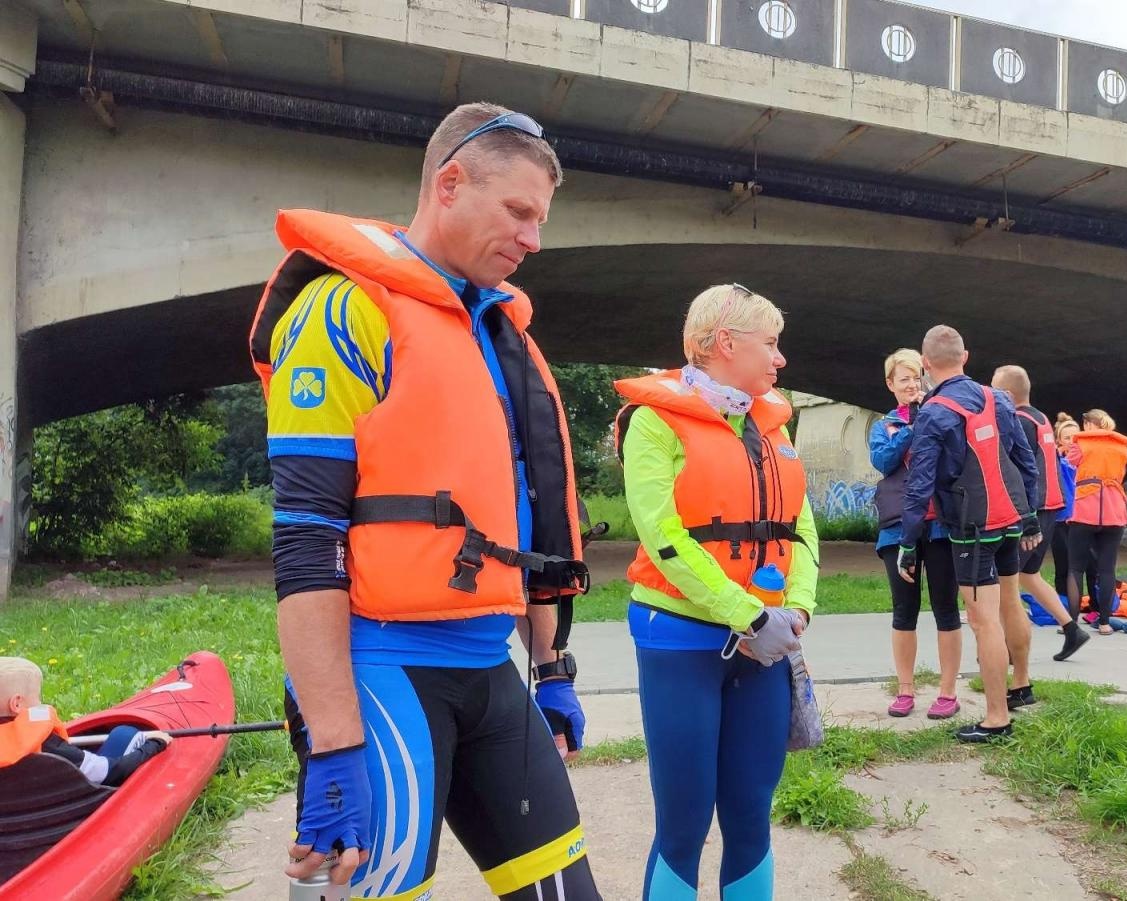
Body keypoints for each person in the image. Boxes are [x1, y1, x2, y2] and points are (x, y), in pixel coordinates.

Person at [249, 102, 599, 898]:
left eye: (540, 219)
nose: (533, 238)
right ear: (449, 184)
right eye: (517, 211)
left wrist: (552, 668)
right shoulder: (342, 312)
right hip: (383, 670)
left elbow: (526, 517)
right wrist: (335, 743)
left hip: (491, 671)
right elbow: (306, 539)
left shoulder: (502, 334)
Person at [614, 283, 820, 900]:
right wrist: (748, 616)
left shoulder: (772, 424)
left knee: (752, 816)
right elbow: (663, 537)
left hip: (767, 641)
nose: (780, 359)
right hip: (681, 639)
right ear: (726, 343)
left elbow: (799, 523)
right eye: (771, 343)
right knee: (683, 824)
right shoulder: (653, 421)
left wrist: (797, 608)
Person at [897, 326, 1039, 743]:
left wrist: (908, 542)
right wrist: (1028, 515)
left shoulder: (935, 412)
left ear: (925, 364)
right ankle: (1021, 685)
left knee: (983, 621)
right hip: (1009, 519)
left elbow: (919, 485)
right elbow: (1024, 460)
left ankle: (996, 718)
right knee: (1011, 601)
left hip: (969, 529)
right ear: (966, 356)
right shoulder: (998, 399)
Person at [871, 349, 961, 720]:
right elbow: (883, 461)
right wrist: (911, 429)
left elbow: (956, 458)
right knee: (903, 609)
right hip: (897, 529)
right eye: (903, 379)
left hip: (940, 525)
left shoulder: (941, 415)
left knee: (945, 607)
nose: (911, 385)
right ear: (891, 384)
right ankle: (905, 690)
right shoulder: (886, 425)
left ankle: (947, 692)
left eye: (916, 377)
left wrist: (931, 419)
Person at [990, 366, 1089, 666]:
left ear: (1006, 395)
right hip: (1050, 507)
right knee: (1028, 575)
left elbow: (1017, 467)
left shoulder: (1018, 421)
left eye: (994, 392)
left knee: (1002, 583)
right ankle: (1071, 628)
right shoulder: (1041, 418)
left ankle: (1007, 647)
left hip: (1030, 511)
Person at [0, 657, 169, 787]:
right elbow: (110, 772)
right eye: (37, 698)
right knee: (123, 734)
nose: (41, 704)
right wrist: (156, 743)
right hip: (64, 814)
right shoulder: (49, 745)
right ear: (17, 704)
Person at [1065, 409, 1127, 636]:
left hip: (1085, 508)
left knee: (1075, 567)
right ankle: (1104, 622)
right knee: (1107, 569)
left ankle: (1071, 624)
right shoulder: (1121, 447)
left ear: (1089, 424)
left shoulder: (1080, 445)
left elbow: (1070, 462)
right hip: (1114, 509)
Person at [1050, 415, 1093, 657]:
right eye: (1068, 438)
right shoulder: (1057, 459)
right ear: (1058, 442)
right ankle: (1064, 611)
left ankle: (1092, 608)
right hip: (1060, 518)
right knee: (1063, 566)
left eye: (1077, 437)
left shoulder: (1087, 458)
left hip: (1082, 516)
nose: (1073, 441)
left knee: (1086, 565)